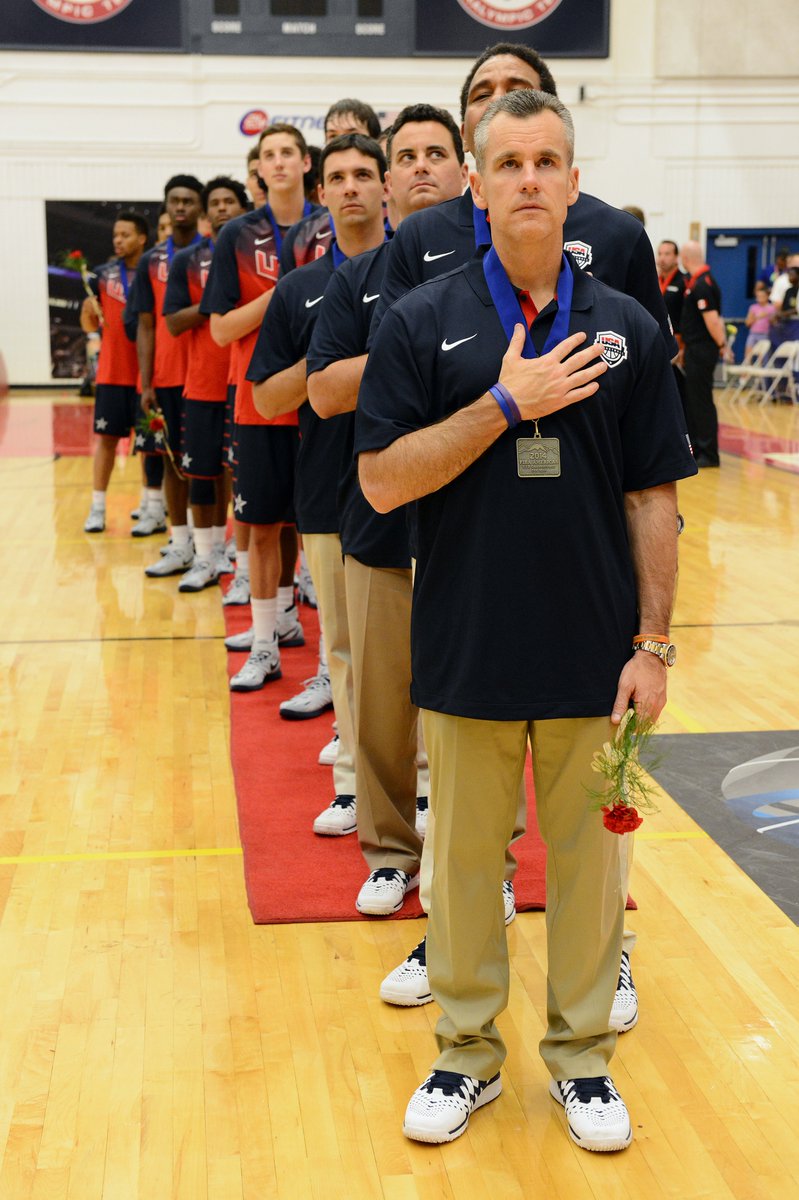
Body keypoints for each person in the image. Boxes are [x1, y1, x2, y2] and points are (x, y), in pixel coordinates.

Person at [356, 88, 697, 1152]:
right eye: (508, 164)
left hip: (594, 658)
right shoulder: (424, 320)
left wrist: (651, 645)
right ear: (475, 183)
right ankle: (465, 1054)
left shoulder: (628, 331)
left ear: (575, 182)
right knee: (461, 871)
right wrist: (506, 405)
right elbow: (378, 482)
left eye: (549, 161)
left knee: (593, 873)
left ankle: (581, 1060)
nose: (531, 180)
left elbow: (654, 500)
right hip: (465, 645)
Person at [305, 106, 469, 913]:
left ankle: (478, 859)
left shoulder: (496, 269)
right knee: (378, 702)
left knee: (473, 697)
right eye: (404, 155)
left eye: (437, 153)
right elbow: (325, 390)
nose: (420, 168)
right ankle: (387, 850)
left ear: (463, 170)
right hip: (376, 517)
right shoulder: (356, 279)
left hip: (475, 521)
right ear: (388, 177)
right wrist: (428, 350)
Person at [246, 133, 388, 831]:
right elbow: (268, 399)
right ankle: (351, 782)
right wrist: (331, 363)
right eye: (339, 176)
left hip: (416, 488)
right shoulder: (300, 289)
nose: (352, 186)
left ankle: (418, 788)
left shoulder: (422, 278)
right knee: (343, 648)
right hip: (328, 491)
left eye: (365, 173)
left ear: (385, 186)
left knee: (417, 651)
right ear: (321, 192)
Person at [202, 125, 315, 691]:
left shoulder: (329, 226)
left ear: (304, 162)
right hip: (259, 402)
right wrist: (284, 292)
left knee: (311, 527)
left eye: (287, 152)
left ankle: (294, 624)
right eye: (267, 154)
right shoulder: (236, 236)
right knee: (263, 525)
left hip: (323, 402)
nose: (277, 162)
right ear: (259, 169)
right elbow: (221, 329)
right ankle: (265, 643)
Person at [163, 177, 248, 592]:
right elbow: (175, 321)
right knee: (201, 475)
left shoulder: (256, 256)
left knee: (242, 479)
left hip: (244, 384)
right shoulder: (185, 261)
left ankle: (239, 560)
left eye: (229, 201)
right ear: (204, 213)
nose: (221, 208)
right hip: (200, 386)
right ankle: (205, 557)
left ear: (243, 207)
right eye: (213, 203)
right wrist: (217, 303)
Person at [129, 175, 204, 561]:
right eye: (174, 200)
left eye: (188, 201)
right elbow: (145, 324)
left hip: (207, 376)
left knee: (211, 467)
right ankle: (180, 542)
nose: (180, 207)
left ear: (200, 208)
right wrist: (145, 383)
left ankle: (212, 545)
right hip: (168, 376)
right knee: (174, 463)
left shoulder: (216, 254)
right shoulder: (151, 260)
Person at [81, 211, 151, 533]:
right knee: (106, 441)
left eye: (125, 235)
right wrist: (87, 312)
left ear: (142, 238)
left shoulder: (153, 273)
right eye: (115, 236)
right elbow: (89, 325)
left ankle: (152, 505)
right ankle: (97, 507)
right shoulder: (103, 275)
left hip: (146, 374)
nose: (118, 240)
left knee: (148, 445)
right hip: (112, 373)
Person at [680, 239, 729, 468]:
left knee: (701, 402)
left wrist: (722, 345)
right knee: (694, 401)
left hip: (702, 350)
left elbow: (712, 320)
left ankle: (709, 452)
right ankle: (699, 447)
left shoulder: (702, 284)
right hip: (694, 349)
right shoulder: (697, 282)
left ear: (685, 258)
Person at [744, 280, 776, 359]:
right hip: (753, 334)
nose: (760, 298)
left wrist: (769, 317)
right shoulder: (753, 307)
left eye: (762, 296)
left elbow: (774, 323)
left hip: (765, 335)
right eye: (758, 296)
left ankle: (761, 369)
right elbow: (747, 323)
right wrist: (757, 317)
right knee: (748, 355)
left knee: (762, 357)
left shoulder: (771, 308)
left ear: (767, 296)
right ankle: (746, 370)